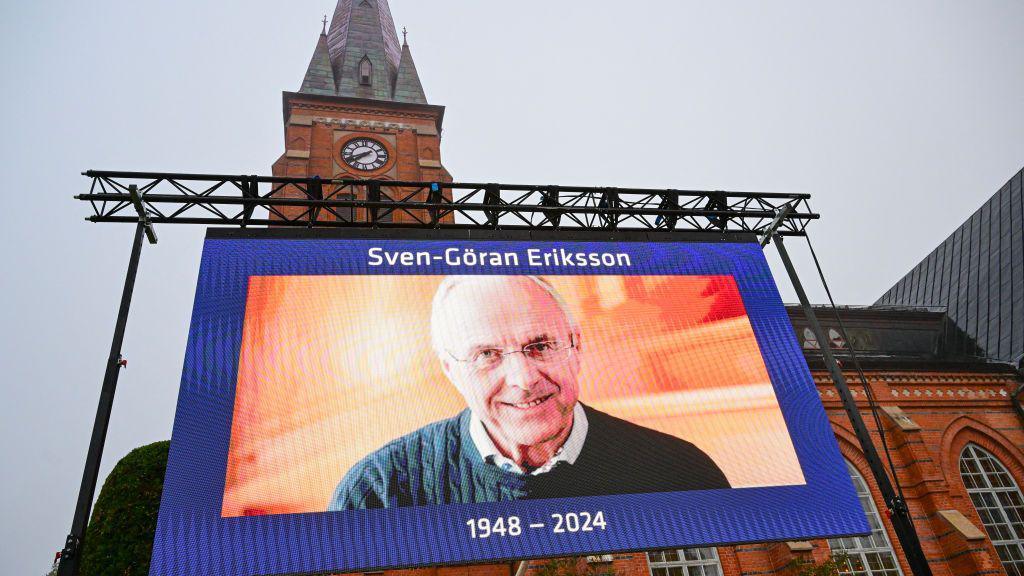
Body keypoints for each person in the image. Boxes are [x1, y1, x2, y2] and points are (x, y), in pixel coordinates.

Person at [329, 275, 729, 510]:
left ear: (576, 346)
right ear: (452, 371)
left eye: (540, 345)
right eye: (486, 354)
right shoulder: (379, 489)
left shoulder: (681, 472)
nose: (523, 378)